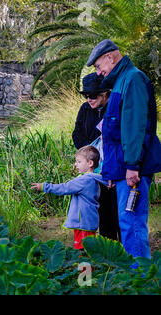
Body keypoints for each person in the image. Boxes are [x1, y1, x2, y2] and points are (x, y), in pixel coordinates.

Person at [87, 39, 161, 259]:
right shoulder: (120, 81)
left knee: (133, 224)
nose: (99, 73)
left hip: (132, 170)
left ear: (110, 57)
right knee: (127, 222)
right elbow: (113, 132)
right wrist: (111, 171)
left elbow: (135, 128)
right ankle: (134, 278)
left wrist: (132, 166)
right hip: (122, 170)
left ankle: (141, 281)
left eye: (99, 66)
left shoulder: (133, 79)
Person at [73, 73, 121, 242]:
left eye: (92, 95)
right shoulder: (85, 109)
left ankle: (120, 248)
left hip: (112, 166)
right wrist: (89, 153)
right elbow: (77, 134)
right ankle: (106, 246)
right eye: (86, 95)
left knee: (115, 209)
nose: (88, 99)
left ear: (104, 94)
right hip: (92, 166)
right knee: (100, 209)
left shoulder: (114, 108)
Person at [31, 146, 107, 251]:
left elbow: (64, 188)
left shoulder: (85, 180)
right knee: (85, 249)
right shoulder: (90, 179)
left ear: (90, 163)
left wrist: (44, 187)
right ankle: (85, 267)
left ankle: (85, 267)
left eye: (79, 162)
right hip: (85, 221)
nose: (75, 165)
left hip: (83, 222)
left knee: (84, 250)